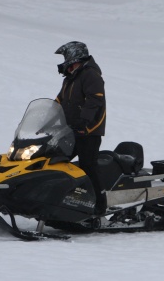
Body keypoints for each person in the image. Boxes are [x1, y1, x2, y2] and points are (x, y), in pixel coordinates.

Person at [55, 41, 107, 214]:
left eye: (66, 57)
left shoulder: (90, 74)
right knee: (57, 160)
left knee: (88, 165)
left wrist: (84, 121)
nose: (65, 61)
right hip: (71, 130)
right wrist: (47, 118)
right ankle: (63, 199)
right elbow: (60, 101)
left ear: (74, 56)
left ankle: (100, 205)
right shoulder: (71, 78)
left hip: (88, 131)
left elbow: (95, 99)